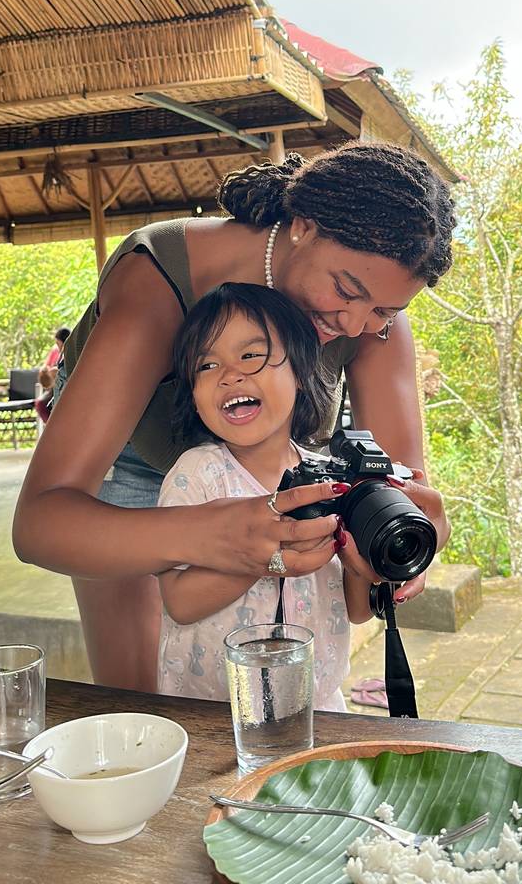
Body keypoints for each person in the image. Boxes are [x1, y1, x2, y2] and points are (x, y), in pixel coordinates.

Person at [13, 141, 455, 692]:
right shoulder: (158, 280)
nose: (354, 323)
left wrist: (398, 536)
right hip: (129, 456)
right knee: (139, 699)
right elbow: (40, 526)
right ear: (302, 226)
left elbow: (398, 483)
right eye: (346, 291)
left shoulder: (369, 316)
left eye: (386, 311)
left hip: (260, 466)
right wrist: (211, 532)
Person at [158, 283, 379, 709]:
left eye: (251, 355)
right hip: (217, 709)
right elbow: (180, 602)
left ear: (299, 370)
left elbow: (356, 610)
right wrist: (269, 555)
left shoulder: (327, 478)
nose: (230, 374)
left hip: (316, 703)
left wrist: (363, 566)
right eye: (206, 365)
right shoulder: (196, 477)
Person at [35, 326, 71, 426]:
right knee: (41, 403)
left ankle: (53, 426)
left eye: (58, 343)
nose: (57, 346)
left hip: (64, 387)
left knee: (43, 404)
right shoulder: (58, 353)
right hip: (56, 386)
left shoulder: (69, 353)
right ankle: (52, 426)